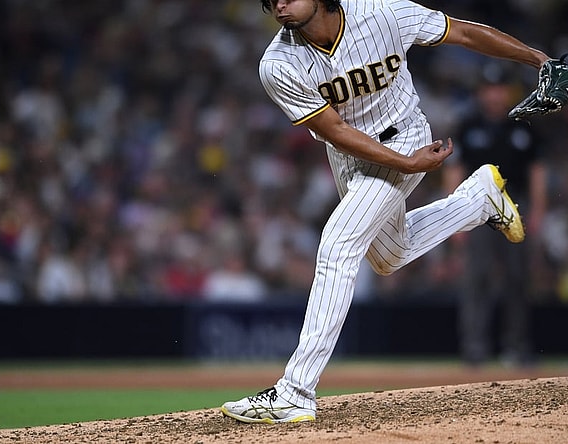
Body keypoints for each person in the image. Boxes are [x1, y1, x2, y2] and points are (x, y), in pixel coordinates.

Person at [221, 0, 551, 423]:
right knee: (389, 257)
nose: (280, 2)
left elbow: (462, 32)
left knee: (338, 245)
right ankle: (477, 201)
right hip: (351, 157)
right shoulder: (278, 64)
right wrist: (410, 166)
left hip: (404, 136)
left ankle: (295, 391)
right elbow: (337, 132)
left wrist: (535, 57)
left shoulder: (383, 13)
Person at [444, 67, 547, 367]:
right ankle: (474, 348)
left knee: (518, 278)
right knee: (476, 278)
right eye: (490, 88)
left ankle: (517, 347)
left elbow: (537, 171)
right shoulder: (468, 126)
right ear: (480, 93)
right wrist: (453, 218)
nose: (495, 94)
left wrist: (539, 211)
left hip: (517, 204)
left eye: (500, 87)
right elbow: (455, 171)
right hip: (476, 210)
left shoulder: (523, 124)